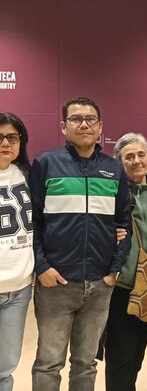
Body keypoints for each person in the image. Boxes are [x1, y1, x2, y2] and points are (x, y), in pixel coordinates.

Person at [29, 97, 131, 391]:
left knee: (86, 363)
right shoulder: (46, 164)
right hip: (56, 284)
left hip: (100, 284)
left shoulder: (114, 169)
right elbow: (33, 221)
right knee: (49, 363)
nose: (84, 124)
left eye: (90, 119)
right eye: (76, 119)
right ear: (64, 126)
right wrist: (42, 267)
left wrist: (113, 270)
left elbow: (124, 224)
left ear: (100, 127)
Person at [103, 133, 147, 391]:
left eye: (141, 155)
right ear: (120, 161)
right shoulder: (110, 189)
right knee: (119, 355)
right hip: (120, 286)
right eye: (129, 157)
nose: (136, 161)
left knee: (136, 355)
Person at [0, 113, 33, 391]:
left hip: (19, 290)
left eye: (12, 137)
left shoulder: (27, 175)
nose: (5, 143)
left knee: (6, 368)